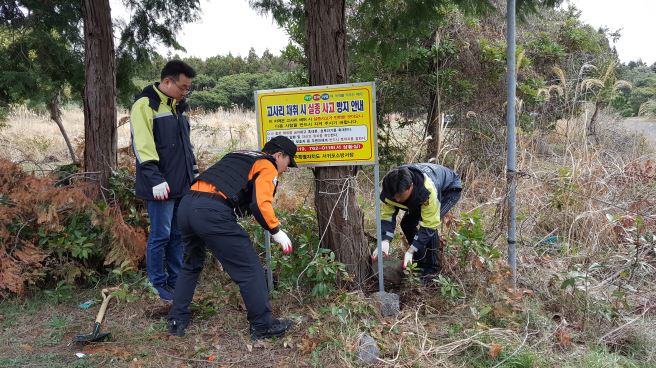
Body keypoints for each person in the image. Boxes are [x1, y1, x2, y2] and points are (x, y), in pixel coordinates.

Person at [167, 136, 297, 340]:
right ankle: (263, 326)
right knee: (250, 269)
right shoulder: (267, 164)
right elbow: (260, 204)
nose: (286, 169)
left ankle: (176, 319)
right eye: (288, 162)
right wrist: (276, 231)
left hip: (187, 205)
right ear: (279, 155)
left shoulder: (239, 154)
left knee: (191, 264)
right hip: (211, 212)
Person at [130, 60, 198, 301]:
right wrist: (155, 179)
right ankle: (157, 284)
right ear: (167, 82)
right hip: (159, 186)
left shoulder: (177, 107)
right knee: (161, 235)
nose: (185, 92)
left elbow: (185, 147)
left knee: (178, 234)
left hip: (182, 184)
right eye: (182, 87)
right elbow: (142, 145)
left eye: (188, 88)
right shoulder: (145, 105)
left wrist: (194, 172)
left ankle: (176, 281)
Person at [372, 164, 462, 281]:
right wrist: (385, 240)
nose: (398, 200)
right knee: (407, 224)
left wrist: (411, 250)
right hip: (418, 196)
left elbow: (430, 224)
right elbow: (386, 216)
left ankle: (431, 269)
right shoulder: (390, 190)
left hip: (449, 189)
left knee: (429, 225)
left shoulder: (428, 190)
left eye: (401, 196)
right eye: (395, 197)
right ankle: (419, 260)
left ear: (411, 187)